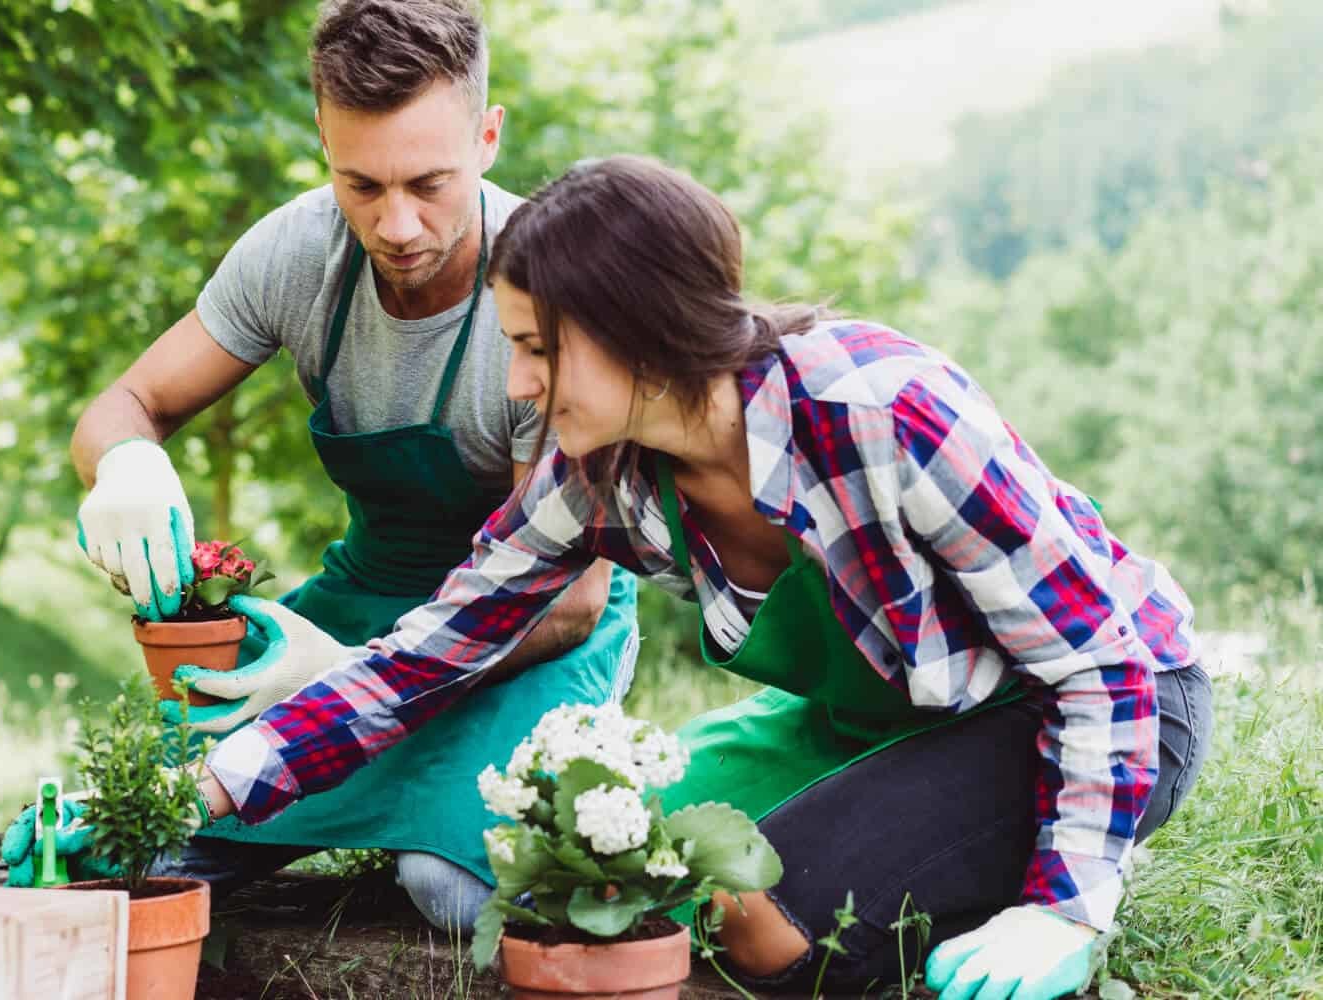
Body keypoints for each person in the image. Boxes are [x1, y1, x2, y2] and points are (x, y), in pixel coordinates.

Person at [190, 155, 1213, 999]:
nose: (519, 385)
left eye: (541, 349)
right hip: (890, 724)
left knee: (764, 919)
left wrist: (1068, 905)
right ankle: (936, 847)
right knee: (612, 871)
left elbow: (1100, 661)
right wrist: (213, 782)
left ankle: (1046, 866)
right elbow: (431, 650)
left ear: (639, 325)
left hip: (1089, 706)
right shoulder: (599, 471)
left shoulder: (886, 410)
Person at [9, 0, 640, 932]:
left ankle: (573, 792)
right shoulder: (297, 253)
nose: (396, 225)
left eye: (430, 183)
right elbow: (124, 404)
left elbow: (568, 596)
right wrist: (126, 464)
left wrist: (349, 676)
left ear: (490, 137)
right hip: (369, 596)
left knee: (456, 889)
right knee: (136, 828)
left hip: (531, 629)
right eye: (361, 184)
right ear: (322, 139)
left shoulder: (549, 292)